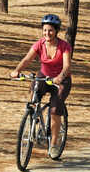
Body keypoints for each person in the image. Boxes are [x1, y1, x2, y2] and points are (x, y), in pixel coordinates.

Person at [10, 14, 72, 159]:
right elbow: (27, 59)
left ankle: (54, 144)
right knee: (33, 95)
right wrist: (17, 70)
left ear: (56, 31)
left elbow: (67, 66)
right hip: (44, 76)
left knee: (55, 110)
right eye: (45, 30)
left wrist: (60, 77)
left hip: (61, 81)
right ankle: (33, 116)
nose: (47, 33)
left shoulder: (64, 46)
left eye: (50, 30)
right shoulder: (39, 44)